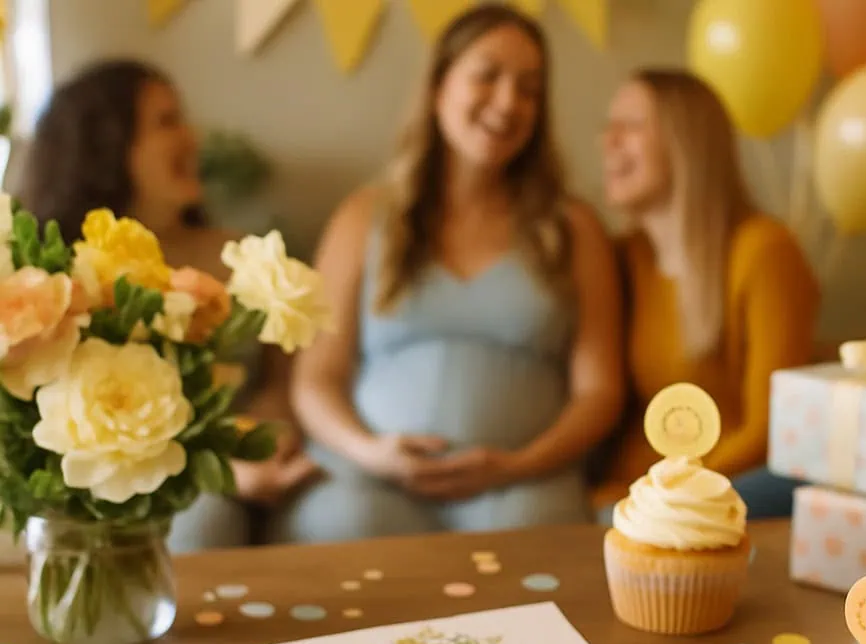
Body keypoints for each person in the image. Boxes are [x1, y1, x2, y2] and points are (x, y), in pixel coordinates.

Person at [273, 3, 623, 544]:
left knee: (536, 541)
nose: (509, 102)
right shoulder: (364, 216)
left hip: (523, 487)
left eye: (529, 88)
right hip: (371, 482)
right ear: (439, 86)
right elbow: (316, 378)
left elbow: (599, 390)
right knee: (343, 525)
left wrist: (518, 464)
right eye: (488, 76)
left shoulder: (574, 227)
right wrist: (373, 453)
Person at [19, 59, 318, 552]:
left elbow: (279, 384)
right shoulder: (67, 280)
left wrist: (267, 439)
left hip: (246, 464)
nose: (191, 136)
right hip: (146, 479)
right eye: (166, 121)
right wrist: (222, 474)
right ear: (108, 148)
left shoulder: (242, 253)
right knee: (204, 520)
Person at [594, 69, 819, 520]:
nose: (608, 141)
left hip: (743, 478)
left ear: (687, 142)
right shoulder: (624, 258)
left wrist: (662, 495)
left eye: (632, 125)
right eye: (609, 125)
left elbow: (771, 430)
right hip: (656, 486)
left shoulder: (764, 251)